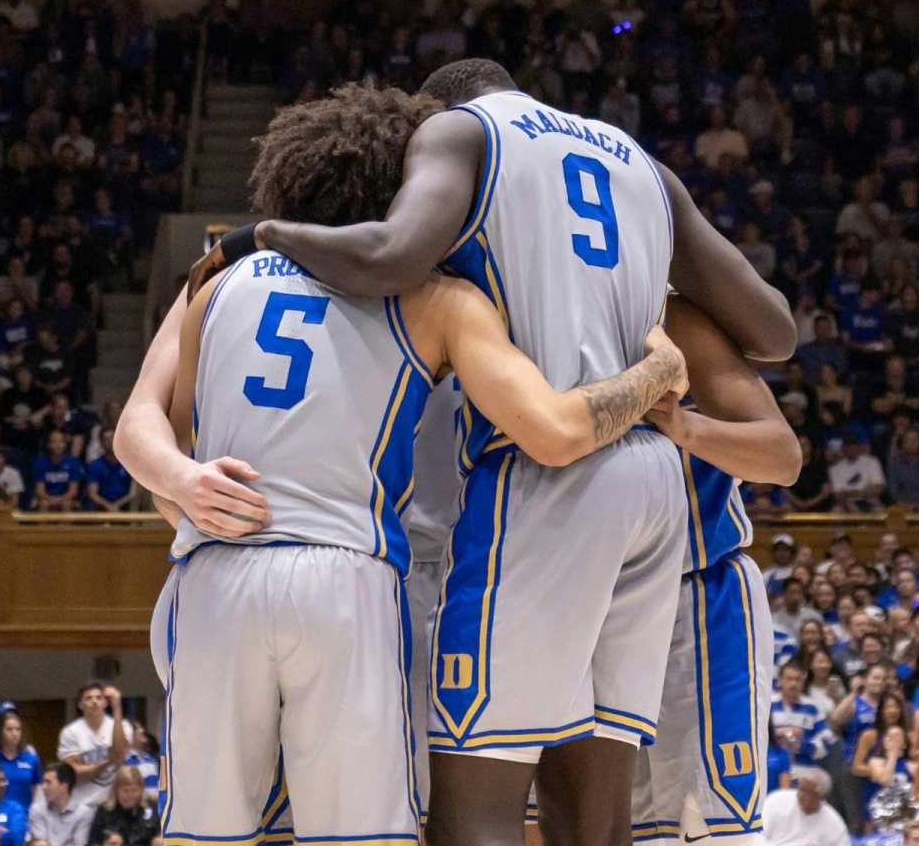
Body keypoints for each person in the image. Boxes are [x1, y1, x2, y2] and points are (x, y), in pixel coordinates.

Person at [122, 64, 791, 844]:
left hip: (255, 561)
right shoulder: (610, 189)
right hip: (586, 502)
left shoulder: (224, 283)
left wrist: (182, 483)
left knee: (434, 801)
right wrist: (653, 377)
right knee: (574, 800)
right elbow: (771, 338)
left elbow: (152, 416)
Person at [625, 297, 801, 845]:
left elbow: (783, 457)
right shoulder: (523, 306)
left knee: (707, 828)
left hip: (695, 598)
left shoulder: (670, 316)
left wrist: (685, 427)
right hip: (584, 600)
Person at [56, 686, 129, 811]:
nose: (94, 701)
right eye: (88, 698)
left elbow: (120, 752)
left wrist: (117, 708)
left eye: (99, 698)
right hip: (82, 804)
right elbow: (74, 772)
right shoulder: (70, 732)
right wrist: (107, 762)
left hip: (113, 804)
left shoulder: (122, 726)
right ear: (80, 704)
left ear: (106, 703)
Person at [759, 766, 849, 846]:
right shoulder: (777, 801)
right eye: (801, 790)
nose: (802, 796)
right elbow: (757, 836)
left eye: (808, 792)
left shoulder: (834, 824)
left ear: (822, 797)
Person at [83, 769, 156, 846]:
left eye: (134, 790)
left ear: (141, 790)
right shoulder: (104, 810)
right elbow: (92, 842)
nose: (130, 796)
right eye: (125, 791)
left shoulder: (152, 807)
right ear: (116, 790)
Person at [26, 764, 89, 846]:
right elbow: (40, 843)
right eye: (43, 782)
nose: (43, 787)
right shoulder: (37, 809)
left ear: (64, 786)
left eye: (48, 782)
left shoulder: (83, 812)